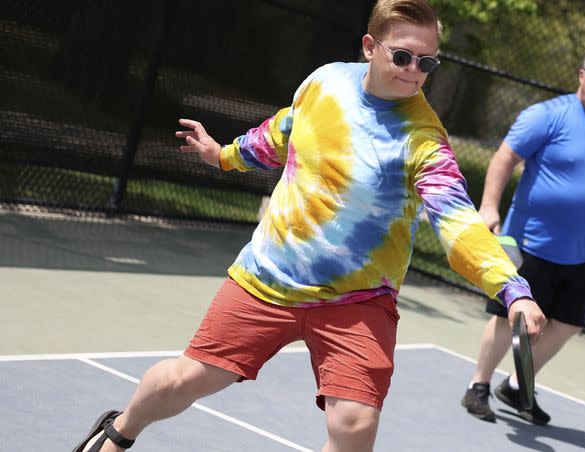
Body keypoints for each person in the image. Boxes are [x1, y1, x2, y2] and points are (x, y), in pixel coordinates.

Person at [73, 1, 546, 451]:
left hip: (357, 300)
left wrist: (512, 289)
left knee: (355, 423)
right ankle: (117, 432)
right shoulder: (326, 82)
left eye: (427, 64)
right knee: (188, 379)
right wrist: (223, 155)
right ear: (369, 47)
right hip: (268, 277)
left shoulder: (423, 140)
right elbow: (284, 131)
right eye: (402, 56)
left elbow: (457, 220)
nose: (413, 70)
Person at [461, 48, 585, 425]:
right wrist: (490, 206)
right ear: (581, 75)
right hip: (529, 242)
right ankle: (478, 387)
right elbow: (504, 158)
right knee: (507, 317)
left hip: (580, 253)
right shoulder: (548, 115)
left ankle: (515, 386)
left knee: (571, 322)